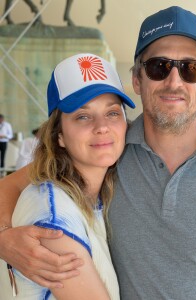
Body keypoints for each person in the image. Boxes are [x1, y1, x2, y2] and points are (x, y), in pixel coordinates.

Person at [0, 6, 196, 300]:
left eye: (190, 69)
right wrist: (3, 240)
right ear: (138, 80)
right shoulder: (109, 149)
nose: (174, 81)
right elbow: (15, 186)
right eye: (159, 66)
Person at [0, 53, 135, 299]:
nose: (101, 126)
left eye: (113, 113)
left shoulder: (96, 191)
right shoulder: (55, 220)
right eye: (83, 116)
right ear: (59, 135)